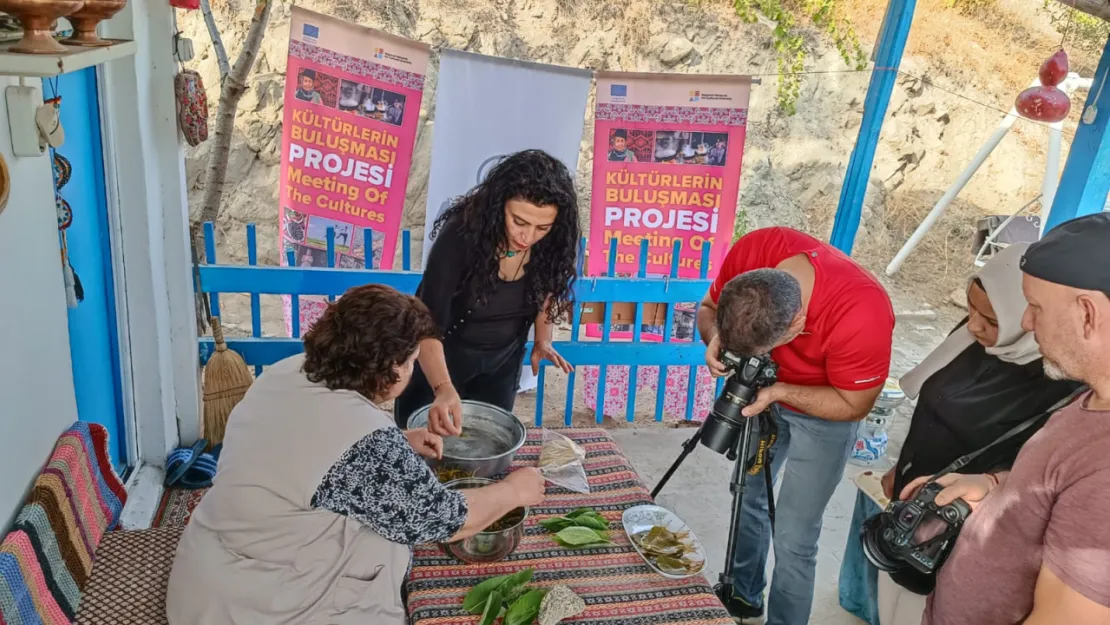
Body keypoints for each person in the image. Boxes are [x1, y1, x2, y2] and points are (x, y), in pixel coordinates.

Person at [166, 284, 546, 625]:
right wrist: (515, 490)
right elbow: (439, 519)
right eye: (412, 361)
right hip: (261, 605)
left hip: (209, 572)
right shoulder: (364, 441)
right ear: (388, 370)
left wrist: (399, 439)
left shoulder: (286, 372)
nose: (414, 370)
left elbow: (304, 442)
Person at [836, 242, 1080, 625]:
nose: (973, 325)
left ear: (1027, 319)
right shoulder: (969, 339)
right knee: (891, 607)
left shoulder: (1056, 383)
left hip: (958, 533)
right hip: (910, 506)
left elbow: (1032, 475)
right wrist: (903, 466)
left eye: (991, 319)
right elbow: (933, 408)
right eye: (970, 308)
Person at [909, 213, 1110, 625]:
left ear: (1088, 314)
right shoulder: (1093, 398)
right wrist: (993, 486)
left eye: (1036, 307)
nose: (1026, 323)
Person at [697, 226, 895, 625]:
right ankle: (742, 596)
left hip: (827, 408)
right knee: (747, 497)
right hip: (764, 397)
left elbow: (854, 404)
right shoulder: (756, 250)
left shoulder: (862, 311)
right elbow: (707, 307)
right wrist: (714, 336)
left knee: (795, 535)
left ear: (797, 323)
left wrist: (781, 392)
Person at [393, 149, 579, 435]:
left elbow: (548, 290)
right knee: (427, 446)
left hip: (502, 364)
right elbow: (426, 324)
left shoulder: (556, 241)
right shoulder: (460, 236)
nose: (527, 237)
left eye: (542, 227)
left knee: (487, 442)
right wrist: (443, 388)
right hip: (441, 358)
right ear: (498, 205)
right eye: (519, 221)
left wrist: (543, 339)